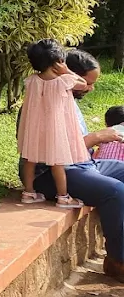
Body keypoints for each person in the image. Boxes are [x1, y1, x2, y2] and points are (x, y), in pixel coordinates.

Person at [22, 49, 124, 279]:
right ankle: (118, 260)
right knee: (116, 192)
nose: (89, 88)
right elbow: (54, 149)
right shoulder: (44, 99)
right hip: (55, 171)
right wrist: (97, 137)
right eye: (87, 83)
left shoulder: (67, 98)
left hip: (84, 164)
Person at [19, 39, 91, 207]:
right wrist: (67, 71)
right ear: (58, 62)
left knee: (30, 159)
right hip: (55, 129)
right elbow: (84, 84)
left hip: (34, 127)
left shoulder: (32, 81)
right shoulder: (63, 81)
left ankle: (28, 193)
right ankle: (63, 197)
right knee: (57, 163)